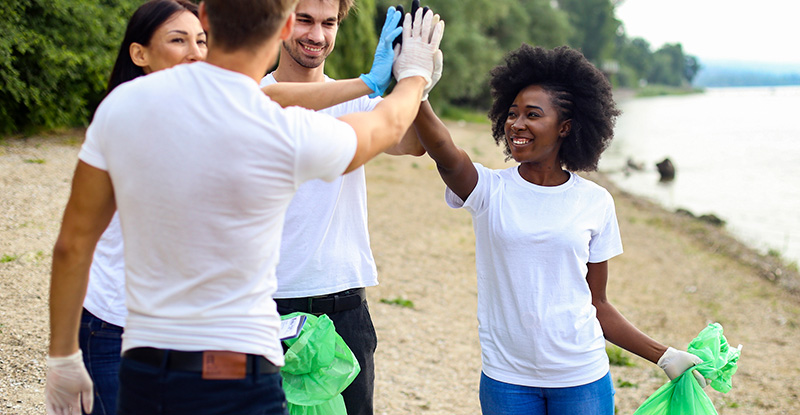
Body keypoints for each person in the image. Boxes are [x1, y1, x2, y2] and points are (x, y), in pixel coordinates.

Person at [44, 0, 444, 413]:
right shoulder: (281, 130)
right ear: (286, 25)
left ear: (204, 18)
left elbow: (71, 245)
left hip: (149, 361)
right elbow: (388, 125)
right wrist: (414, 74)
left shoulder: (123, 105)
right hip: (238, 365)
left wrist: (63, 357)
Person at [412, 44, 705, 415]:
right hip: (507, 379)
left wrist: (665, 356)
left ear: (564, 127)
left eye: (533, 115)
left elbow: (597, 304)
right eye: (513, 113)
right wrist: (418, 92)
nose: (517, 124)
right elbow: (442, 149)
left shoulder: (595, 202)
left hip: (581, 378)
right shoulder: (488, 190)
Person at [261, 2, 441, 414]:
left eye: (329, 23)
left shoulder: (360, 101)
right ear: (281, 21)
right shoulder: (253, 98)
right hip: (266, 305)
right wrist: (394, 84)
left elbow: (412, 144)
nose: (317, 36)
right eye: (304, 20)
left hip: (344, 307)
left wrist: (414, 84)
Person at [79, 3, 207, 414]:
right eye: (178, 40)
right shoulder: (129, 116)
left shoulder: (202, 111)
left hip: (178, 328)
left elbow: (270, 95)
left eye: (202, 40)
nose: (195, 52)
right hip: (115, 325)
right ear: (140, 54)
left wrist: (368, 85)